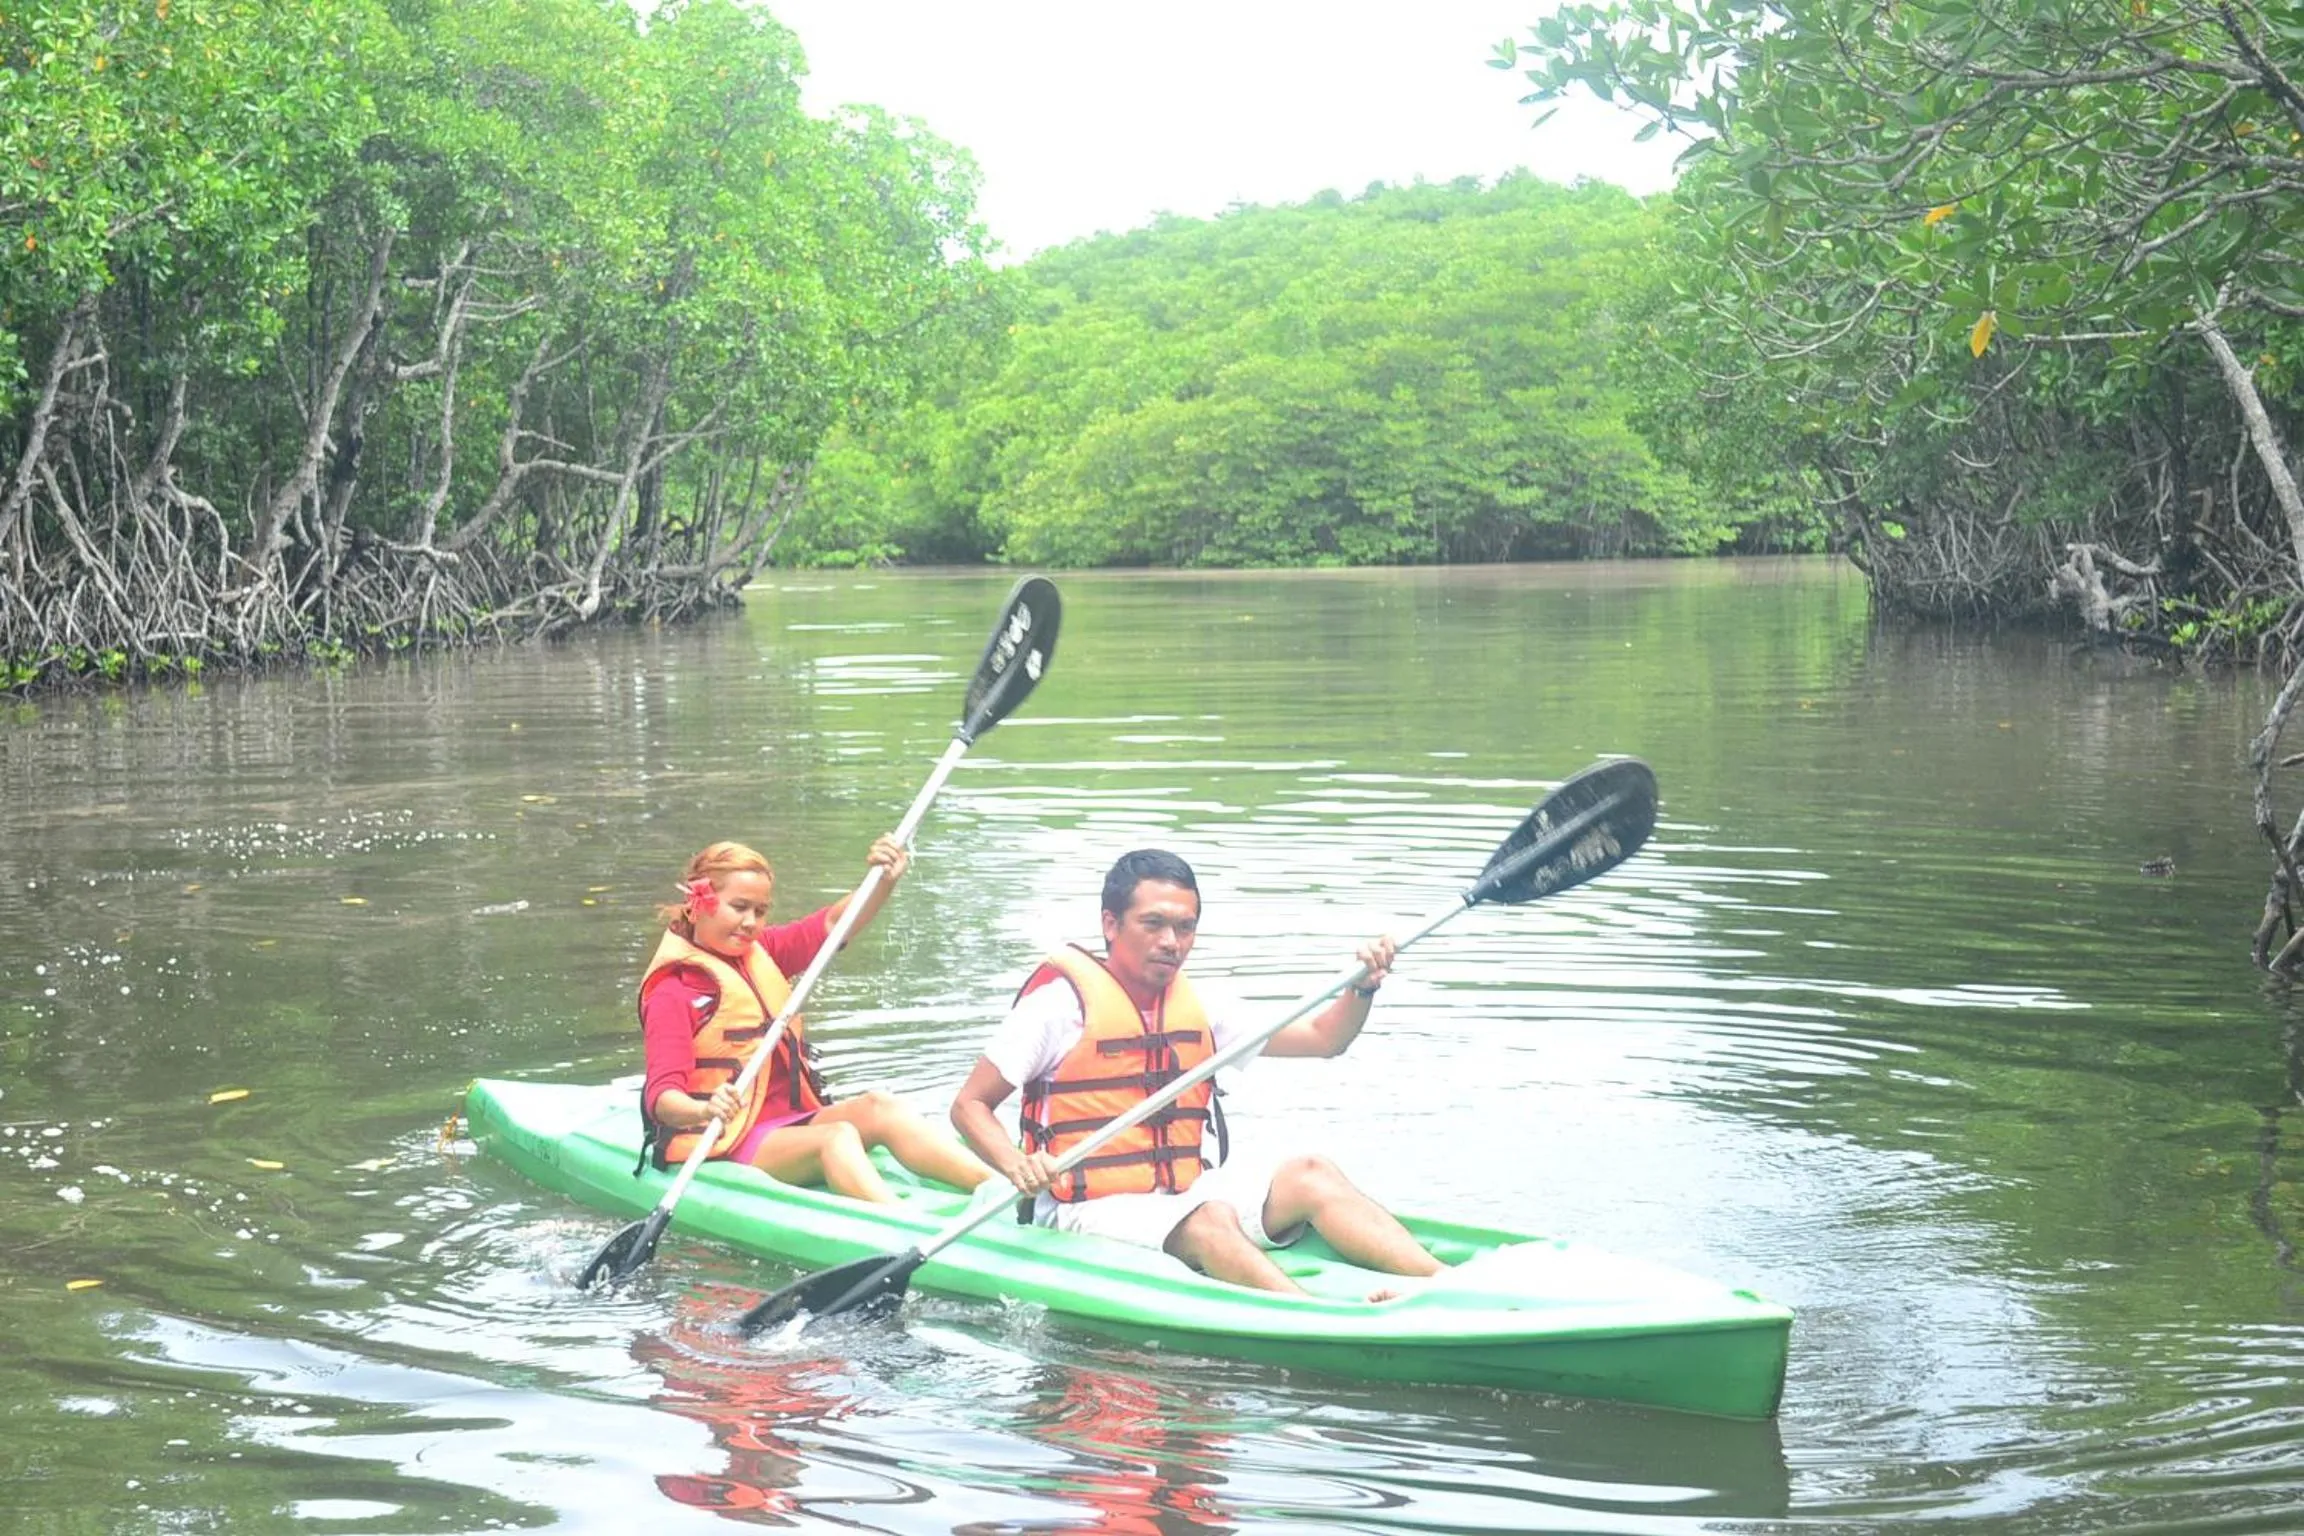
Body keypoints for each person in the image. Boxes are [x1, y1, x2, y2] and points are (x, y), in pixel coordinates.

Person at [950, 848, 1444, 1300]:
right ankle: (1320, 1319)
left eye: (1184, 928)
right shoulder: (1057, 1007)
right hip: (1084, 1206)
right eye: (1154, 923)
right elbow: (970, 1106)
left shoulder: (1202, 1005)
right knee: (1210, 1221)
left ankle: (1444, 1284)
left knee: (1309, 1174)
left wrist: (1362, 989)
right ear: (1110, 923)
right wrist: (1017, 1166)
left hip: (1182, 1191)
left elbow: (1324, 1039)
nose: (1171, 942)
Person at [639, 836, 993, 1202]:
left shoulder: (765, 952)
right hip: (730, 1138)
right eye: (739, 907)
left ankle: (1000, 1189)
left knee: (880, 1106)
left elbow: (835, 924)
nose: (750, 923)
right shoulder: (673, 992)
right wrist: (704, 1108)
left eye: (760, 911)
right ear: (699, 906)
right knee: (836, 1137)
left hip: (792, 1121)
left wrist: (884, 878)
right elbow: (662, 1099)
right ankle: (901, 1224)